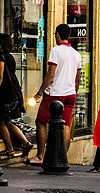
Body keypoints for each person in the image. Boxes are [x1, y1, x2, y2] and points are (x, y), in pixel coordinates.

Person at [26, 23, 82, 165]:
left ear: (57, 35)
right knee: (65, 125)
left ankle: (40, 156)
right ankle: (62, 157)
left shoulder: (56, 51)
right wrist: (73, 91)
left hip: (55, 93)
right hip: (70, 94)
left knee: (41, 121)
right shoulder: (76, 54)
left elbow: (51, 75)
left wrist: (39, 93)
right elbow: (78, 78)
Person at [0, 33, 32, 158]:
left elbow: (0, 77)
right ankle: (25, 143)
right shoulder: (10, 57)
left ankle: (9, 148)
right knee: (8, 122)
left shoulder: (1, 57)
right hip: (14, 91)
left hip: (5, 92)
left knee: (1, 122)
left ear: (1, 43)